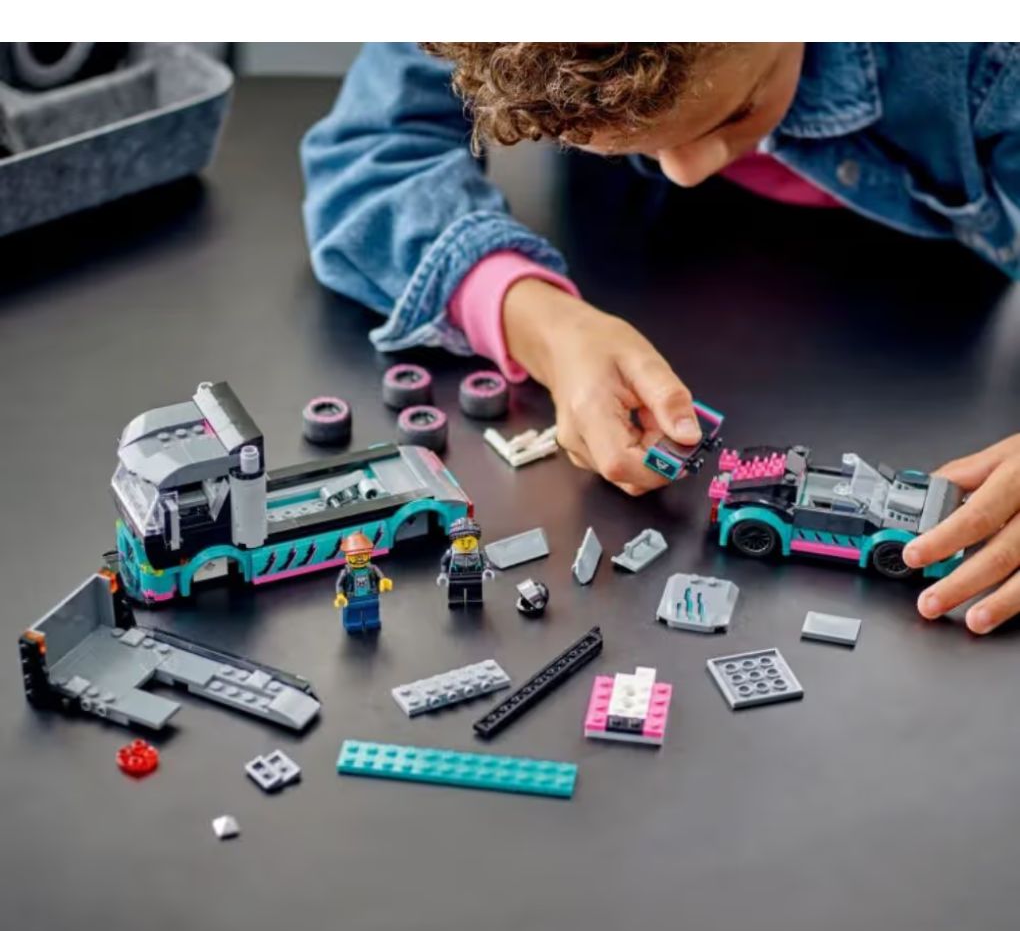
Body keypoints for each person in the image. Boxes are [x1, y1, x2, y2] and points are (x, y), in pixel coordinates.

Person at [302, 43, 1020, 634]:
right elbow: (368, 156)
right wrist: (542, 323)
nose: (688, 170)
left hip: (933, 316)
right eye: (617, 146)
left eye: (738, 111)